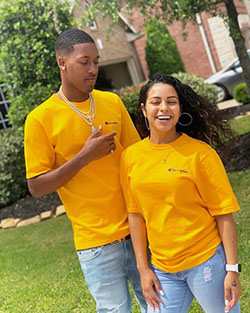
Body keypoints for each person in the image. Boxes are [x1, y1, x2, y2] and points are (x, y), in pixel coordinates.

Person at [24, 28, 147, 313]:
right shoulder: (40, 120)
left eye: (96, 61)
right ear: (61, 62)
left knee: (159, 304)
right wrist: (84, 157)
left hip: (138, 227)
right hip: (95, 243)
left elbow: (138, 159)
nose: (93, 69)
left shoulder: (111, 102)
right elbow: (37, 186)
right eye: (84, 62)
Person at [120, 73, 242, 313]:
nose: (163, 108)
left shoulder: (201, 154)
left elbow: (223, 214)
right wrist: (144, 269)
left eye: (171, 101)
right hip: (163, 269)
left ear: (179, 108)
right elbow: (135, 215)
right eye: (156, 102)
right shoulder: (131, 157)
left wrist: (232, 270)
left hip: (205, 262)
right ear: (144, 109)